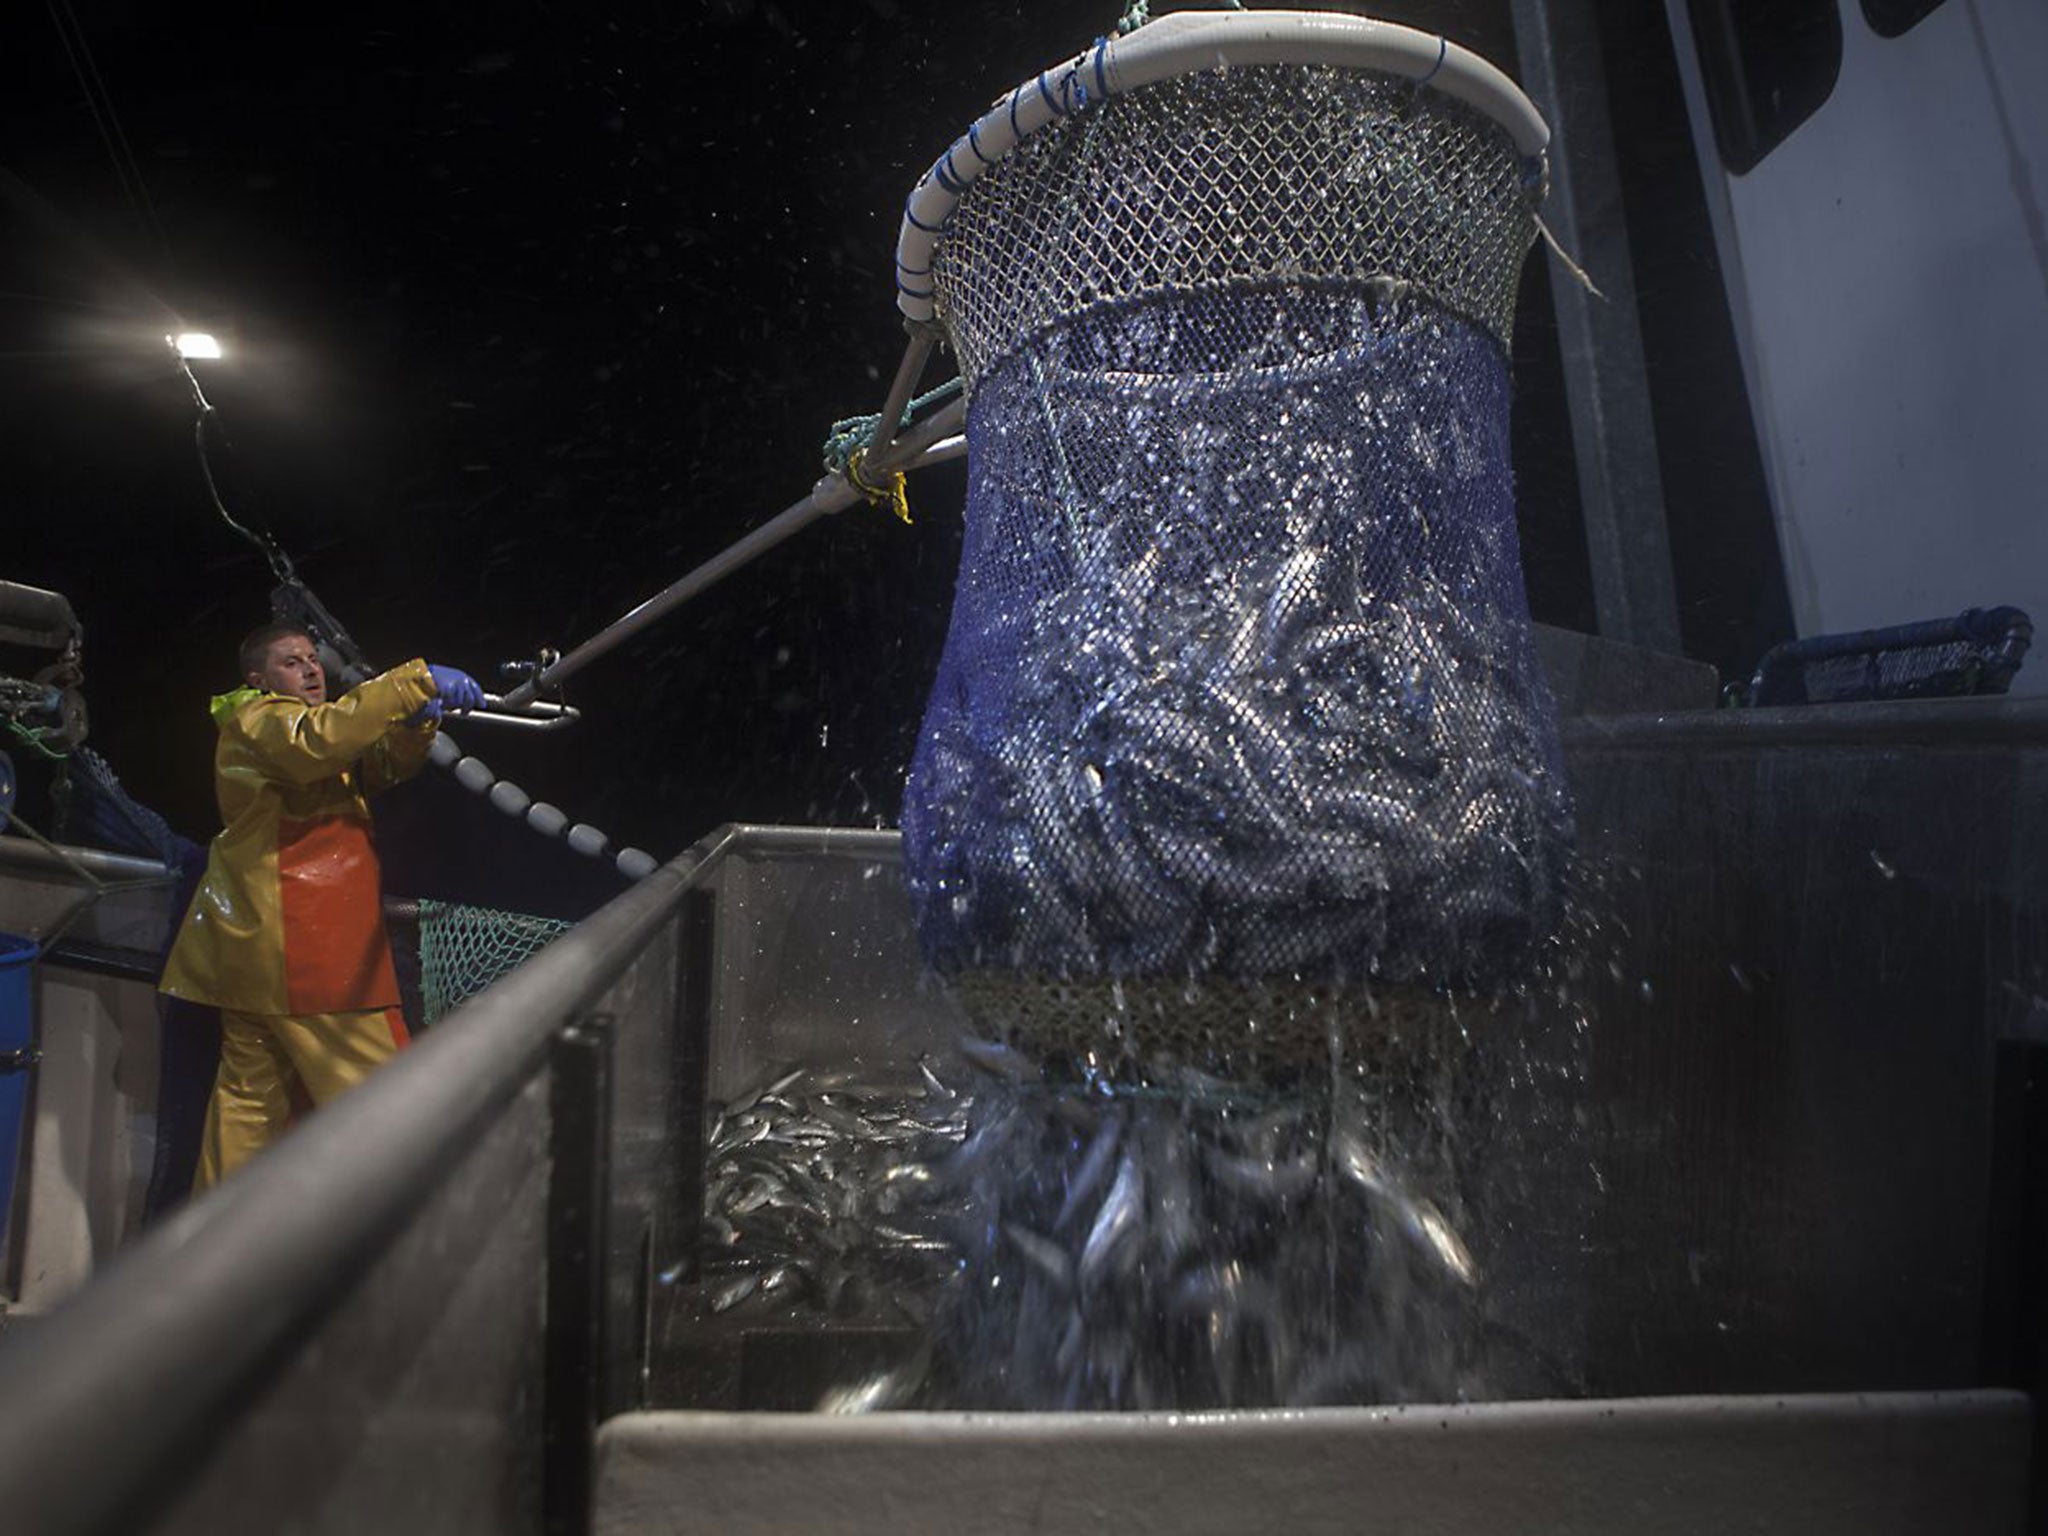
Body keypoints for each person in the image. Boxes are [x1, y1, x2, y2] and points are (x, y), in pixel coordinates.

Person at [158, 624, 485, 1189]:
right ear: (258, 680)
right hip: (310, 953)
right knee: (383, 1100)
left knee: (246, 1110)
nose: (311, 669)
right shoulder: (264, 719)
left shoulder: (291, 735)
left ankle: (217, 1248)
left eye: (312, 659)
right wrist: (414, 681)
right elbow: (320, 741)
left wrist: (413, 726)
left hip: (253, 963)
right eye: (292, 662)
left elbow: (376, 766)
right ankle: (405, 1240)